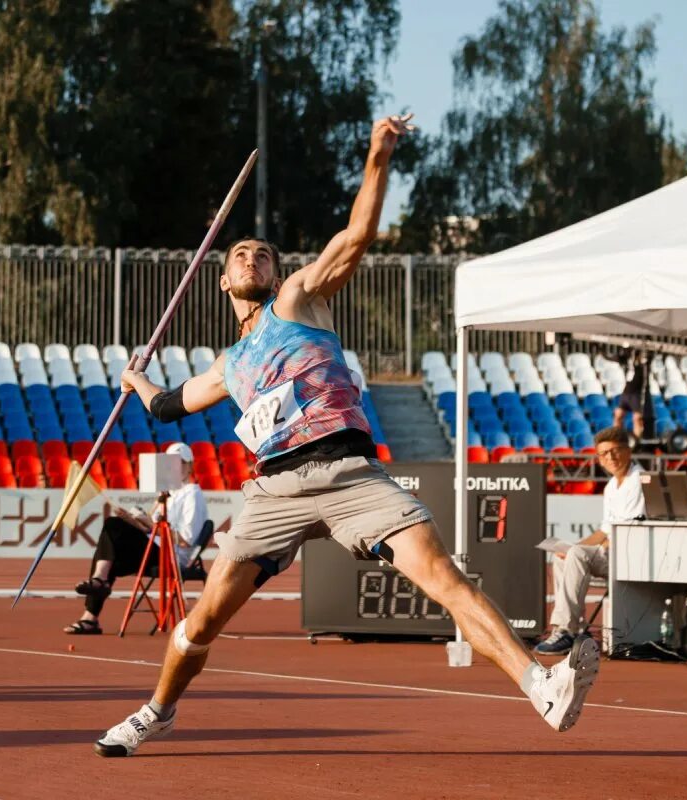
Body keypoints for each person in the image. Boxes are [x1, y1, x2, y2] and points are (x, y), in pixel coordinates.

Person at [91, 114, 599, 758]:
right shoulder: (227, 365)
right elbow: (169, 405)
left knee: (446, 578)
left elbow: (357, 235)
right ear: (223, 279)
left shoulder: (299, 299)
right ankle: (158, 711)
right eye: (241, 254)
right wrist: (135, 381)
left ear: (276, 274)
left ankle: (540, 683)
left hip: (353, 475)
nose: (253, 257)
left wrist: (378, 156)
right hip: (274, 491)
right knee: (201, 624)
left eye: (263, 253)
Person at [65, 443, 208, 635]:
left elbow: (185, 540)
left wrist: (149, 525)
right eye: (170, 463)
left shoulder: (192, 493)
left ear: (189, 465)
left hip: (172, 556)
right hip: (154, 548)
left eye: (179, 463)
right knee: (111, 543)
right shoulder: (165, 494)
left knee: (112, 529)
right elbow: (151, 530)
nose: (174, 468)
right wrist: (133, 521)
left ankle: (98, 588)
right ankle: (92, 611)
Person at [535, 426, 644, 655]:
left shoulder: (639, 481)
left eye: (615, 451)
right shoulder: (611, 487)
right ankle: (574, 629)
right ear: (599, 459)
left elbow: (628, 533)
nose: (610, 457)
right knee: (563, 557)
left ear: (627, 451)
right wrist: (574, 547)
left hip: (631, 555)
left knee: (577, 554)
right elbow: (604, 531)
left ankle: (566, 629)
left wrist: (583, 550)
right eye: (604, 454)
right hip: (613, 553)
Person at [612, 349, 646, 439]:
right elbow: (614, 358)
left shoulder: (642, 367)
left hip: (635, 395)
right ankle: (617, 437)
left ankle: (637, 439)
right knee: (618, 415)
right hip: (626, 394)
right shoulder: (627, 364)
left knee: (637, 418)